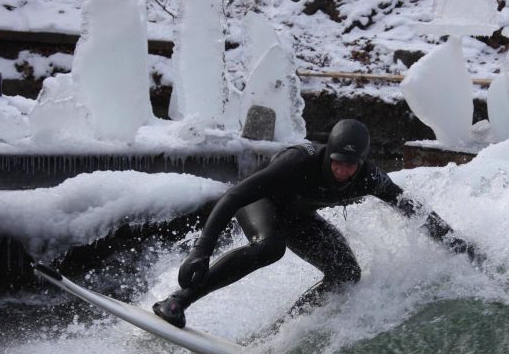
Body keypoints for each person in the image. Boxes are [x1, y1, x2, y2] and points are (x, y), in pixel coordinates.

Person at [153, 119, 480, 328]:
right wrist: (201, 250)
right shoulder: (300, 160)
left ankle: (278, 333)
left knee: (347, 273)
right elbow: (234, 196)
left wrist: (455, 242)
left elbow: (410, 207)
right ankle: (177, 301)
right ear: (329, 155)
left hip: (298, 216)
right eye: (337, 162)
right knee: (270, 247)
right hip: (258, 202)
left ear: (361, 162)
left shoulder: (368, 178)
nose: (342, 171)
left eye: (351, 165)